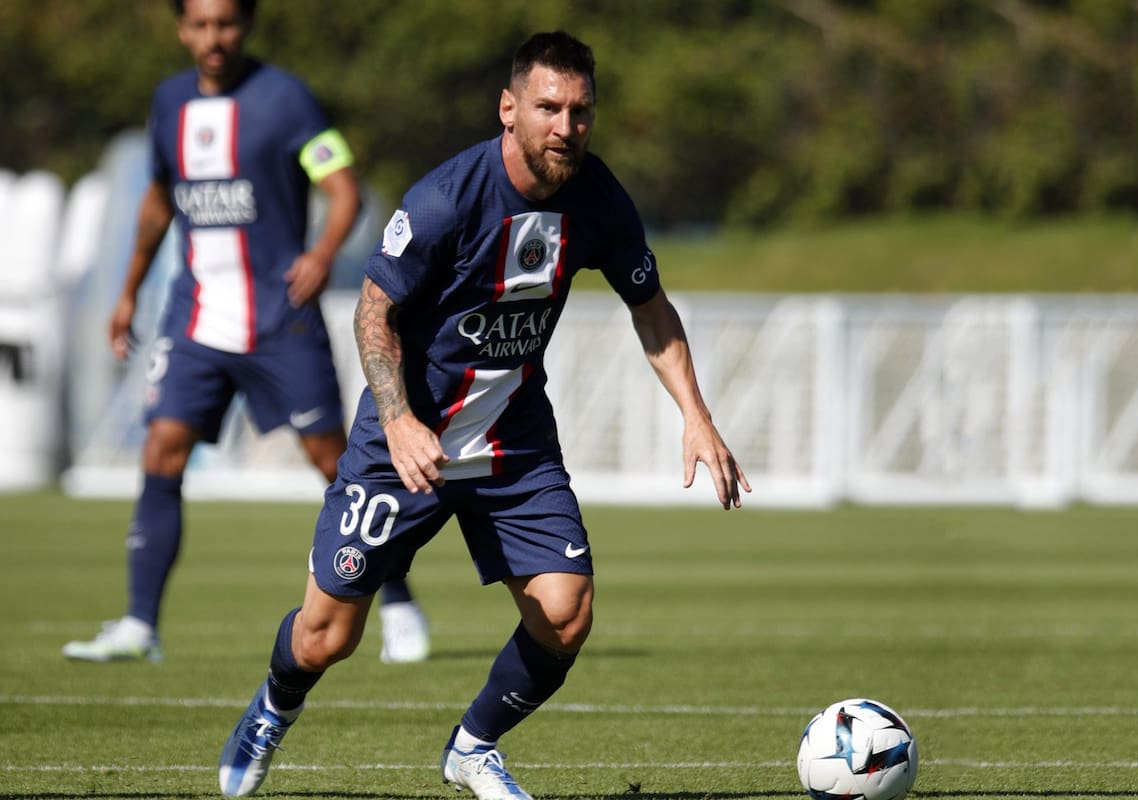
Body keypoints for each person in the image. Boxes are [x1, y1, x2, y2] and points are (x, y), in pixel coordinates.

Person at [217, 29, 750, 800]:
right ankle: (273, 707)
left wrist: (696, 415)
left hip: (513, 442)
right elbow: (374, 313)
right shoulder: (445, 200)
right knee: (326, 636)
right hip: (409, 442)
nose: (567, 126)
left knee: (565, 613)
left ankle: (473, 747)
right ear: (509, 109)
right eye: (548, 108)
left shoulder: (598, 198)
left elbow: (651, 310)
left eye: (581, 110)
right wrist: (398, 419)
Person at [62, 0, 430, 666]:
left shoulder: (287, 99)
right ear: (181, 28)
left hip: (277, 319)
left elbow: (344, 186)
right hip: (195, 318)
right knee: (161, 451)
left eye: (225, 24)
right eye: (199, 25)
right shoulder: (169, 103)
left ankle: (398, 602)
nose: (213, 38)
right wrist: (125, 294)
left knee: (336, 464)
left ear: (246, 25)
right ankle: (140, 624)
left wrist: (321, 254)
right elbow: (156, 201)